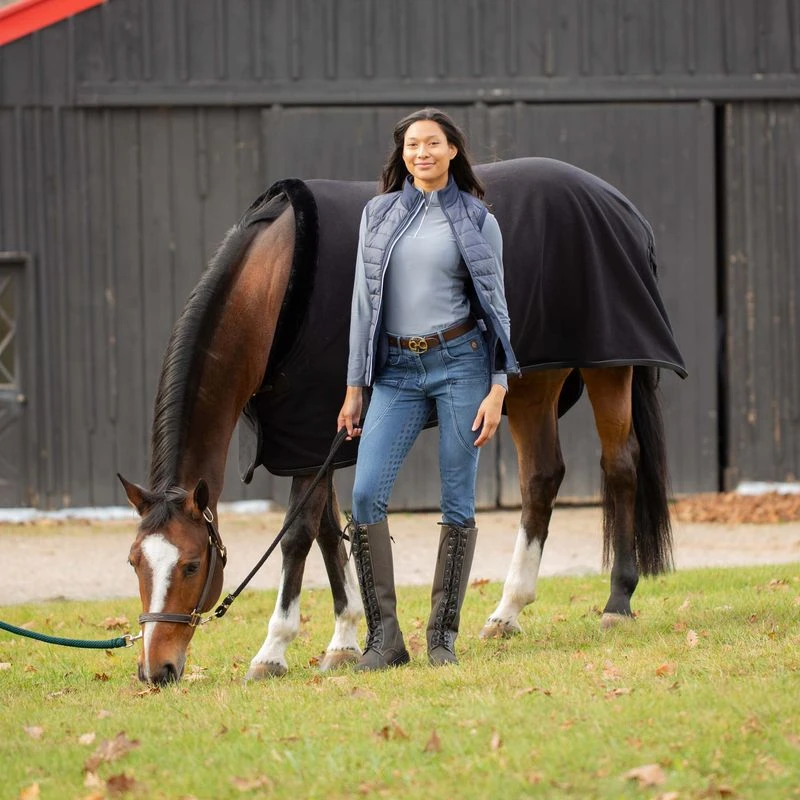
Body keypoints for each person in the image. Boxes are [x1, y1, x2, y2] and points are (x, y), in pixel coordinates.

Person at [337, 108, 519, 670]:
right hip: (395, 370)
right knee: (365, 493)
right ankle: (385, 640)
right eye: (414, 144)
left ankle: (442, 638)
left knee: (458, 499)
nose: (423, 153)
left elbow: (497, 306)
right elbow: (363, 306)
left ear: (453, 151)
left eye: (434, 143)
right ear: (404, 154)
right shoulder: (379, 213)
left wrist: (498, 387)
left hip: (461, 363)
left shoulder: (477, 218)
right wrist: (354, 386)